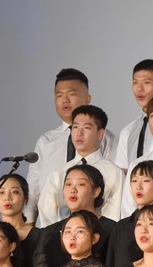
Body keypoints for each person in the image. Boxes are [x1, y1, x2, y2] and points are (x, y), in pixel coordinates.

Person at [26, 68, 117, 223]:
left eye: (71, 94)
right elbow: (33, 189)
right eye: (59, 95)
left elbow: (112, 188)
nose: (65, 100)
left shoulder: (106, 138)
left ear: (87, 98)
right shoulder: (46, 141)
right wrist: (28, 223)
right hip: (52, 227)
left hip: (95, 227)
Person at [32, 164, 115, 267]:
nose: (73, 190)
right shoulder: (49, 233)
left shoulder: (113, 229)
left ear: (96, 191)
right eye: (68, 184)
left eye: (81, 184)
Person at [38, 105, 124, 225]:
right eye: (75, 127)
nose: (79, 133)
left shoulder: (114, 172)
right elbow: (47, 211)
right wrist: (66, 231)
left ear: (100, 134)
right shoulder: (58, 173)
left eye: (86, 128)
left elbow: (114, 214)